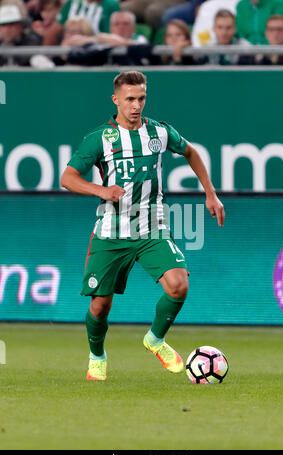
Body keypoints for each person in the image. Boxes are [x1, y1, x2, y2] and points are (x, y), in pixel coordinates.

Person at [60, 71, 225, 381]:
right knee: (100, 306)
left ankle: (155, 340)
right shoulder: (100, 138)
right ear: (116, 100)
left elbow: (190, 151)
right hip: (111, 231)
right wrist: (101, 191)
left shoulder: (160, 133)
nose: (136, 105)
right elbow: (67, 178)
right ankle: (97, 356)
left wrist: (210, 193)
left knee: (179, 284)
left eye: (141, 98)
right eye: (130, 99)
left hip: (152, 226)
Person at [61, 10, 148, 47]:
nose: (121, 27)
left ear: (133, 28)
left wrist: (103, 39)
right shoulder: (104, 38)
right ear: (111, 27)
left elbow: (135, 46)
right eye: (117, 24)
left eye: (126, 24)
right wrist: (97, 39)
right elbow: (72, 41)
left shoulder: (140, 39)